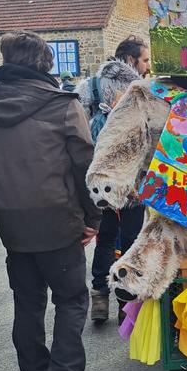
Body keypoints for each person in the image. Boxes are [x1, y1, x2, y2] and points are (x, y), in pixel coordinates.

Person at [0, 30, 101, 371]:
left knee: (27, 305)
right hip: (57, 219)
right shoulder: (62, 104)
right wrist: (92, 217)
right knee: (71, 300)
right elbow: (84, 166)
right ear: (46, 64)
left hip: (11, 223)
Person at [76, 35, 150, 323]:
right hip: (131, 177)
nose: (147, 66)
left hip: (101, 179)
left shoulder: (89, 87)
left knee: (105, 237)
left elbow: (79, 134)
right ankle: (125, 302)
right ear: (131, 60)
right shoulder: (141, 91)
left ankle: (99, 298)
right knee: (132, 239)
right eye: (144, 60)